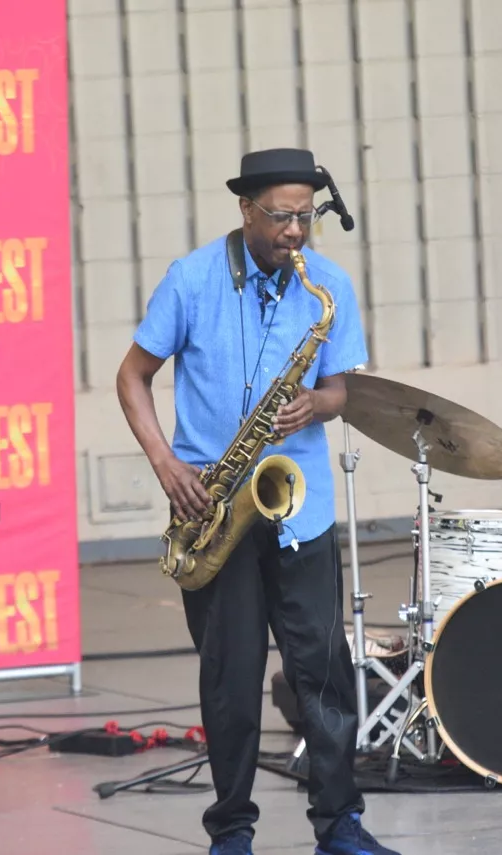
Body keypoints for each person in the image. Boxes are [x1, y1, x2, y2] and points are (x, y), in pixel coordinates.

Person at [116, 149, 398, 855]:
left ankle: (341, 825)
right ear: (246, 210)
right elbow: (132, 376)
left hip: (298, 507)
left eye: (306, 215)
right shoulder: (193, 279)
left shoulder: (327, 285)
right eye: (281, 216)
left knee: (323, 673)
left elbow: (343, 389)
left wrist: (319, 402)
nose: (296, 231)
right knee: (231, 679)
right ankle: (233, 830)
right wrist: (166, 462)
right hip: (213, 506)